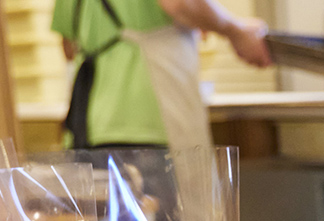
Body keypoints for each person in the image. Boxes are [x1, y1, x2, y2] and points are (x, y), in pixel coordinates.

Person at [53, 0, 273, 150]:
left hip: (88, 126)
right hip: (147, 121)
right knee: (170, 218)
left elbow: (69, 48)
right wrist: (236, 31)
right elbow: (179, 3)